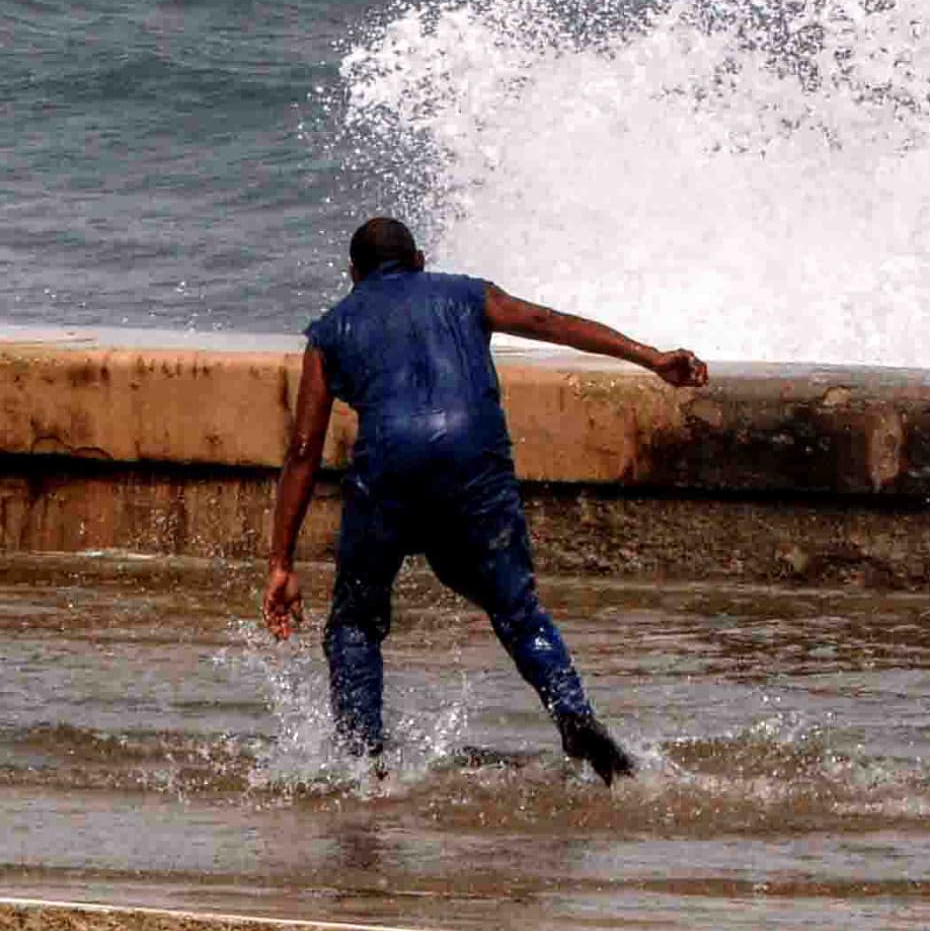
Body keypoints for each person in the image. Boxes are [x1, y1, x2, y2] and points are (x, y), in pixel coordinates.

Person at [262, 216, 709, 782]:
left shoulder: (331, 331)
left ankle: (363, 765)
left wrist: (282, 562)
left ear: (354, 275)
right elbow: (550, 323)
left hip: (389, 476)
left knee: (355, 623)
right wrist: (652, 358)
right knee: (516, 609)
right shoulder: (467, 294)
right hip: (474, 469)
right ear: (420, 260)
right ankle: (573, 716)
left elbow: (303, 450)